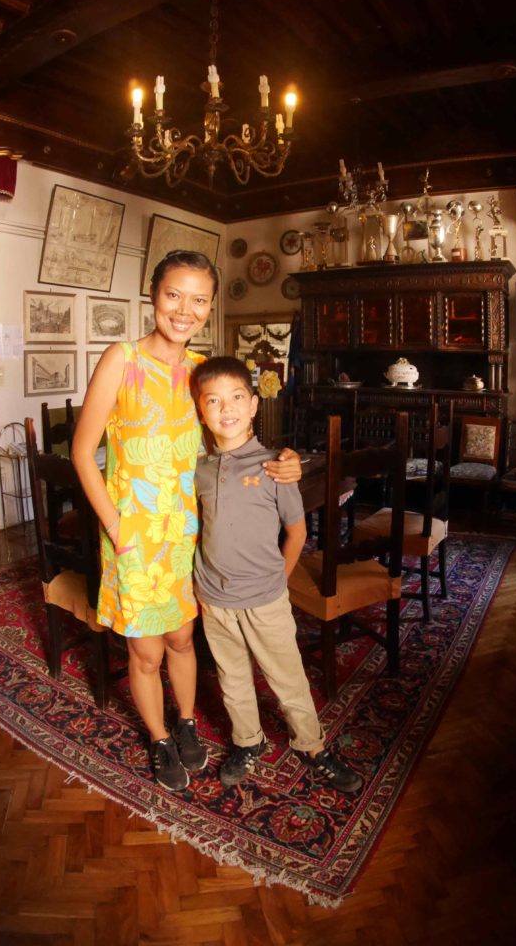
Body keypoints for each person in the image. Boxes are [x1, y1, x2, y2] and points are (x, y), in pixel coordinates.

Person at [71, 251, 300, 792]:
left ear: (211, 307)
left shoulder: (202, 371)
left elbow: (233, 433)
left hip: (188, 533)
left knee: (182, 638)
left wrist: (284, 459)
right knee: (146, 650)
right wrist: (116, 529)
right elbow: (83, 453)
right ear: (152, 294)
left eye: (199, 300)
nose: (184, 309)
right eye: (174, 294)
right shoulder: (120, 359)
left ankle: (189, 722)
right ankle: (158, 736)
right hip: (131, 533)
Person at [191, 355, 363, 795]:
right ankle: (247, 740)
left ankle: (313, 746)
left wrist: (278, 582)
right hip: (214, 597)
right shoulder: (199, 470)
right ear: (200, 410)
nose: (225, 408)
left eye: (235, 398)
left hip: (265, 597)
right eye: (212, 401)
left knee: (287, 676)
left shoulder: (275, 466)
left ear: (252, 405)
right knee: (231, 677)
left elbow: (297, 530)